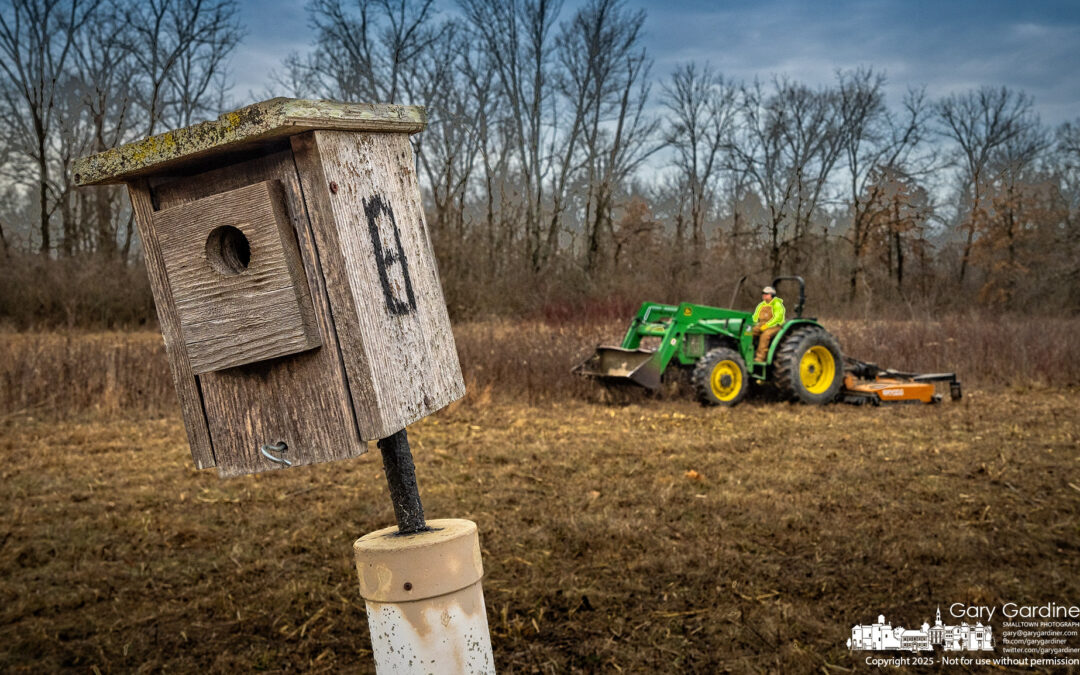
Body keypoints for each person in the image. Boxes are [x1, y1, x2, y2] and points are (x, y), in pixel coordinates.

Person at [751, 285, 785, 362]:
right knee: (748, 333)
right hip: (761, 324)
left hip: (775, 326)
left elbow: (777, 319)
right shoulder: (761, 305)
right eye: (763, 294)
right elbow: (755, 316)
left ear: (772, 295)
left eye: (766, 294)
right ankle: (748, 353)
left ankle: (760, 358)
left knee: (765, 336)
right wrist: (752, 323)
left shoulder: (777, 304)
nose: (764, 295)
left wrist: (767, 326)